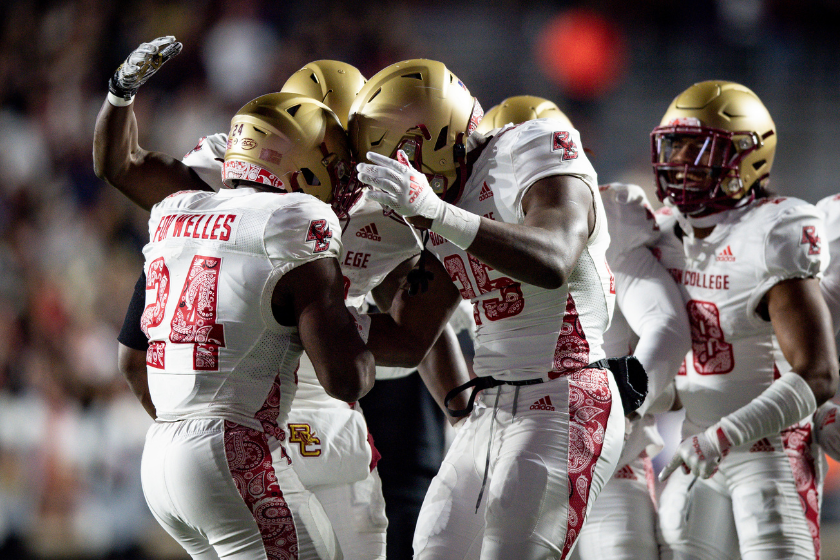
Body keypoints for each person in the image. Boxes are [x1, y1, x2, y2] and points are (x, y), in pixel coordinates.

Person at [94, 38, 469, 560]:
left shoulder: (372, 200)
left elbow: (412, 336)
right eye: (333, 155)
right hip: (279, 416)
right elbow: (125, 168)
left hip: (268, 415)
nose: (348, 176)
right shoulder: (251, 197)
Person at [351, 59, 628, 560]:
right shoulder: (444, 200)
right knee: (433, 548)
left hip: (566, 394)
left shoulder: (532, 146)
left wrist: (437, 212)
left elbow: (553, 259)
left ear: (431, 139)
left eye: (391, 155)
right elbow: (408, 338)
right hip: (491, 410)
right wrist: (309, 317)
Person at [138, 89, 376, 559]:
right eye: (332, 165)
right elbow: (346, 378)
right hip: (233, 449)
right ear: (300, 163)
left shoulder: (175, 211)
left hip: (161, 455)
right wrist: (356, 329)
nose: (340, 180)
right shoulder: (296, 218)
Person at [479, 95, 690, 560]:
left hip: (611, 464)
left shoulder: (609, 216)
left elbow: (667, 326)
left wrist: (624, 403)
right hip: (508, 461)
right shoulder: (473, 235)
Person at [649, 80, 838, 560]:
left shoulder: (773, 230)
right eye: (676, 145)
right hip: (695, 443)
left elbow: (817, 373)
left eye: (700, 149)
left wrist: (722, 436)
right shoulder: (662, 230)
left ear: (746, 160)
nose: (682, 163)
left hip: (768, 450)